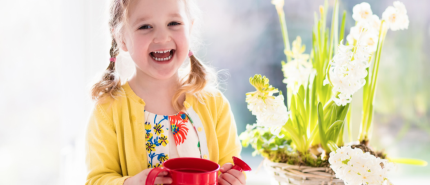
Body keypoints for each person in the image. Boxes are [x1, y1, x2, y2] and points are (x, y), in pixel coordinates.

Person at [85, 0, 245, 184]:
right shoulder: (108, 110)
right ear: (121, 38)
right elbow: (97, 179)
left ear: (189, 28)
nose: (162, 37)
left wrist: (233, 179)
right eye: (145, 26)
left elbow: (229, 165)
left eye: (174, 23)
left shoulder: (214, 104)